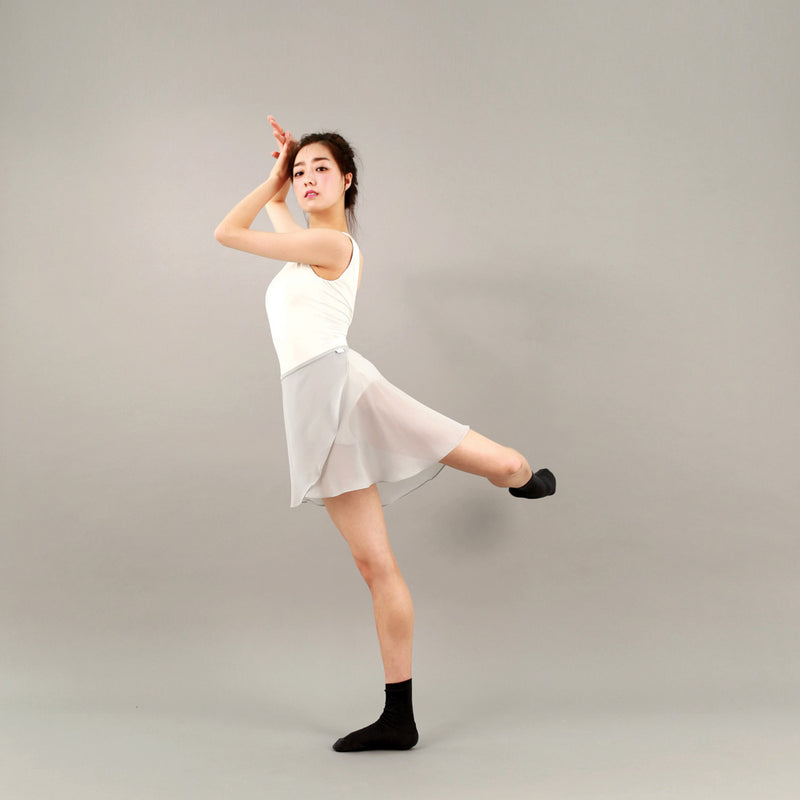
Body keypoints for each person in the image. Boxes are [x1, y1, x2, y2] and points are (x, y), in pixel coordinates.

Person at [214, 116, 556, 752]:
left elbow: (227, 232)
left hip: (339, 389)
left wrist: (272, 179)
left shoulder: (332, 245)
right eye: (300, 169)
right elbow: (282, 225)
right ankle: (400, 718)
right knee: (375, 564)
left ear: (347, 180)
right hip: (312, 399)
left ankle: (521, 476)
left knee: (482, 461)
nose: (307, 177)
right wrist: (283, 192)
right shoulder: (312, 246)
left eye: (321, 168)